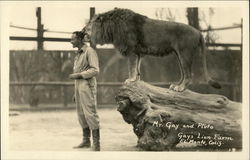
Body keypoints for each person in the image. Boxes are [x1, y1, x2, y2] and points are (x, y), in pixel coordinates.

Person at [69, 31, 100, 151]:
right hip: (79, 86)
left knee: (90, 113)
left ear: (80, 40)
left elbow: (95, 70)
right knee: (81, 114)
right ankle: (86, 141)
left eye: (73, 39)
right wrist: (75, 92)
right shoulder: (78, 54)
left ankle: (96, 144)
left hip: (87, 85)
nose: (71, 41)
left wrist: (79, 76)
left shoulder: (90, 51)